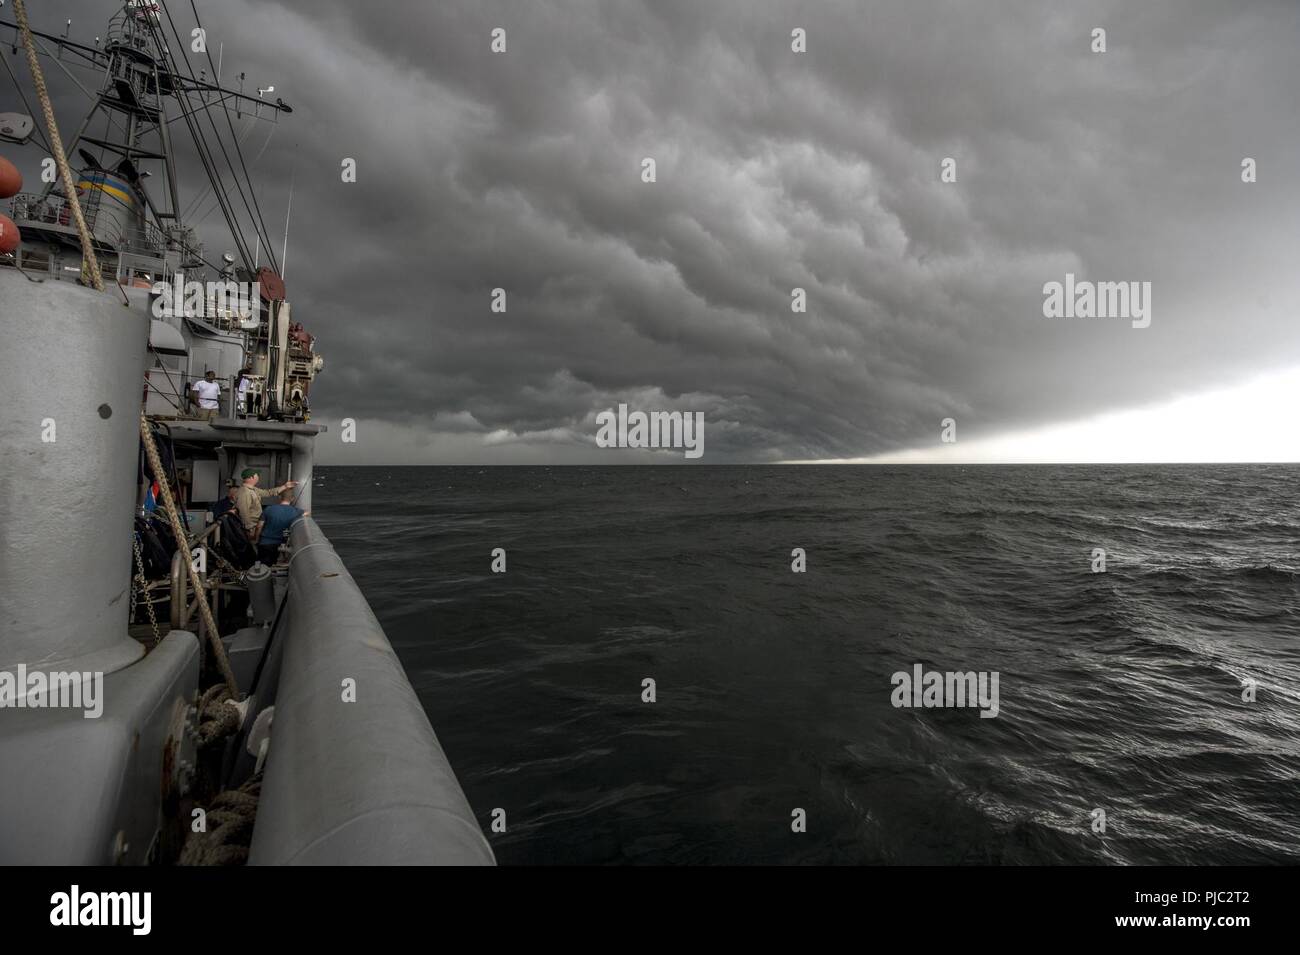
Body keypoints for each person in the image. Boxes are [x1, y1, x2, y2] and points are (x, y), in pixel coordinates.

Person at [232, 468, 297, 539]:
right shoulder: (244, 492)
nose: (258, 477)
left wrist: (285, 486)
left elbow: (268, 492)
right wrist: (249, 529)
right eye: (257, 475)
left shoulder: (253, 489)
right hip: (251, 528)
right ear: (251, 477)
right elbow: (243, 512)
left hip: (255, 525)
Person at [253, 489, 310, 565]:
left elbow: (259, 526)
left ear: (279, 497)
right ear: (292, 498)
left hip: (265, 543)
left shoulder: (269, 509)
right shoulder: (296, 512)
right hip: (282, 546)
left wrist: (256, 539)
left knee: (262, 568)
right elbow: (307, 512)